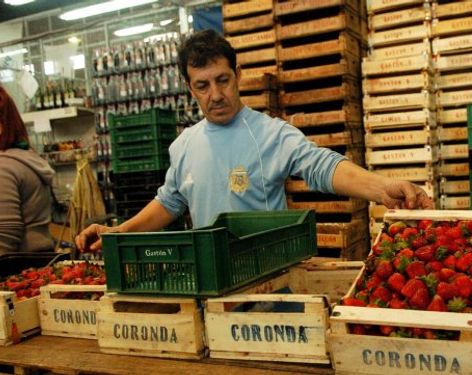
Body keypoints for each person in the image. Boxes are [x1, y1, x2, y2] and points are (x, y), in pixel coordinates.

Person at [76, 30, 434, 252]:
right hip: (212, 289)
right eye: (203, 85)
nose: (216, 94)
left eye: (223, 80)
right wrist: (117, 232)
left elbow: (321, 166)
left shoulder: (269, 133)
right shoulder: (183, 146)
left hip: (269, 286)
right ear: (190, 89)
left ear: (238, 75)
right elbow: (169, 202)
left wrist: (383, 188)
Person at [0, 85, 55, 255]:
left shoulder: (4, 167)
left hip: (19, 270)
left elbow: (4, 237)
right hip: (38, 262)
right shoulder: (25, 158)